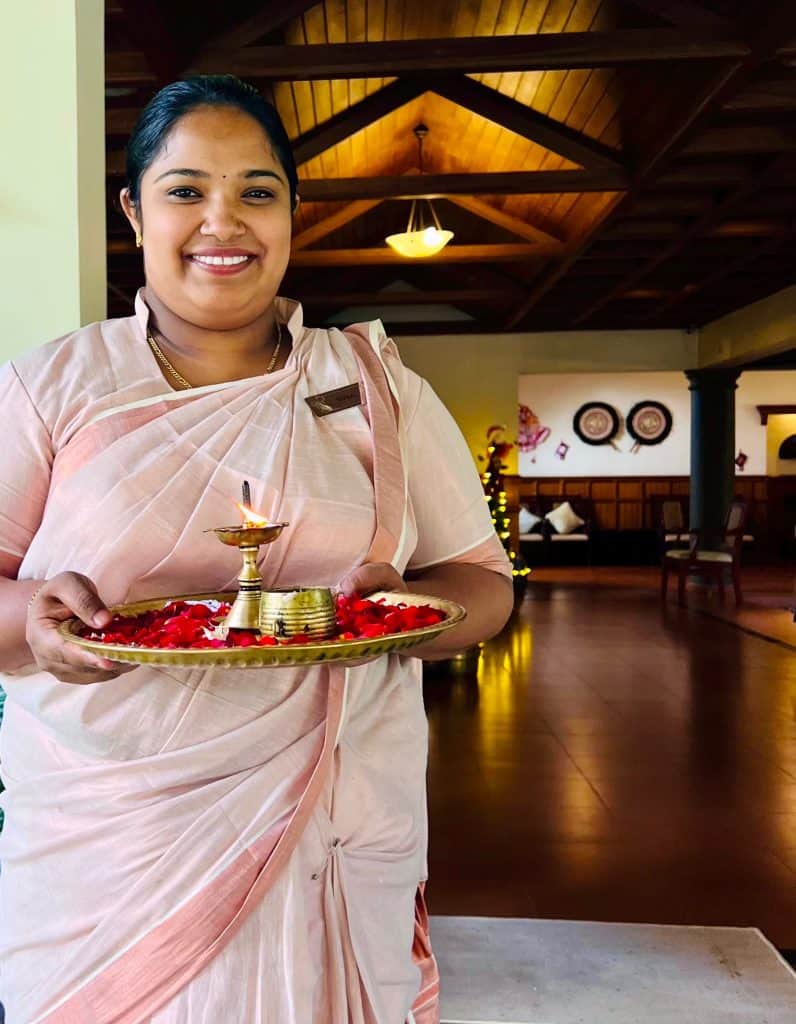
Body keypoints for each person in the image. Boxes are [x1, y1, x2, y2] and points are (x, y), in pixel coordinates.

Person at [0, 76, 513, 1023]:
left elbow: (482, 581)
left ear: (292, 212)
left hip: (331, 817)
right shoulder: (54, 387)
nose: (221, 221)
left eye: (257, 191)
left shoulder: (376, 386)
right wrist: (37, 619)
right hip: (111, 839)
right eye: (186, 190)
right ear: (134, 210)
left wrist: (402, 615)